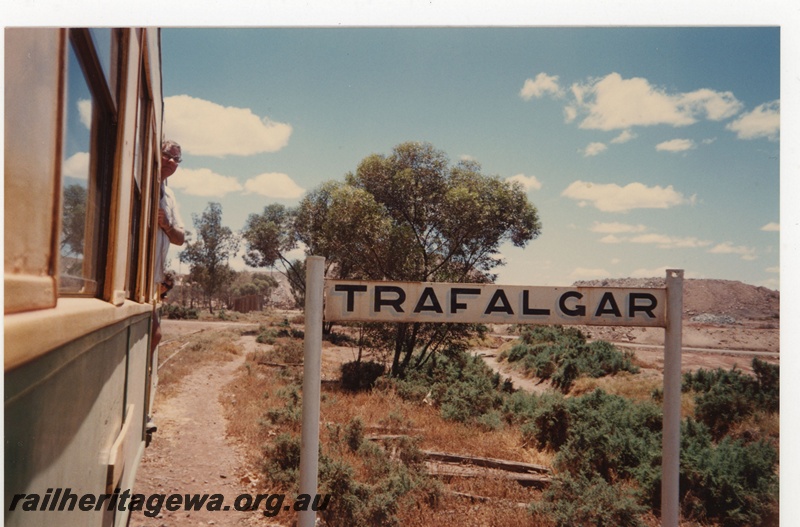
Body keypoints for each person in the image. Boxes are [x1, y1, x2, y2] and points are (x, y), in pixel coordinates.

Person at [148, 140, 186, 434]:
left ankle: (146, 409)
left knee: (154, 339)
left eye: (177, 159)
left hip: (154, 280)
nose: (173, 162)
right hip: (137, 278)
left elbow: (180, 237)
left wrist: (166, 227)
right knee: (153, 336)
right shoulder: (142, 181)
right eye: (168, 156)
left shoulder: (169, 195)